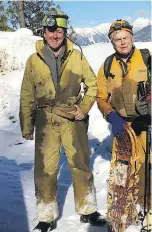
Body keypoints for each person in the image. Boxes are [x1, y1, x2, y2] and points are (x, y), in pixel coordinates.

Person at [19, 8, 106, 232]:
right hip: (45, 119)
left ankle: (88, 210)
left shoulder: (76, 56)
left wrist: (84, 108)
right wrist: (27, 124)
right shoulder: (33, 60)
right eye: (51, 31)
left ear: (65, 33)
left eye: (59, 31)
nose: (55, 35)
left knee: (80, 166)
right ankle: (46, 216)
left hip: (72, 118)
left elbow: (92, 85)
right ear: (44, 33)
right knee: (45, 169)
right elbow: (27, 93)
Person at [97, 19, 151, 230]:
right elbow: (101, 97)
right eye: (117, 39)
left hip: (146, 125)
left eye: (125, 38)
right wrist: (111, 117)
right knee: (121, 172)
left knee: (146, 169)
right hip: (122, 127)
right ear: (112, 42)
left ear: (132, 37)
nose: (122, 42)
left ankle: (146, 210)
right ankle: (122, 213)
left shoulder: (147, 59)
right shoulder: (107, 66)